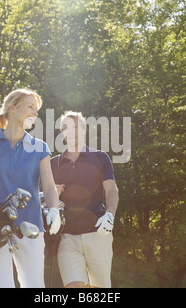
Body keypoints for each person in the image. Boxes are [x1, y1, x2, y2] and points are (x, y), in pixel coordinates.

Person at [0, 88, 61, 288]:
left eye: (37, 109)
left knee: (35, 286)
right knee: (1, 286)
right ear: (13, 108)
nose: (35, 113)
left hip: (31, 225)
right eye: (30, 106)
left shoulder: (39, 147)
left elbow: (49, 185)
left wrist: (54, 209)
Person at [51, 111, 119, 288]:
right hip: (67, 237)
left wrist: (110, 214)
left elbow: (111, 189)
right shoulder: (53, 163)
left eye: (73, 126)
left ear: (83, 129)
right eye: (65, 128)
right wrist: (51, 194)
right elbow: (43, 200)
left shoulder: (100, 157)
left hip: (98, 233)